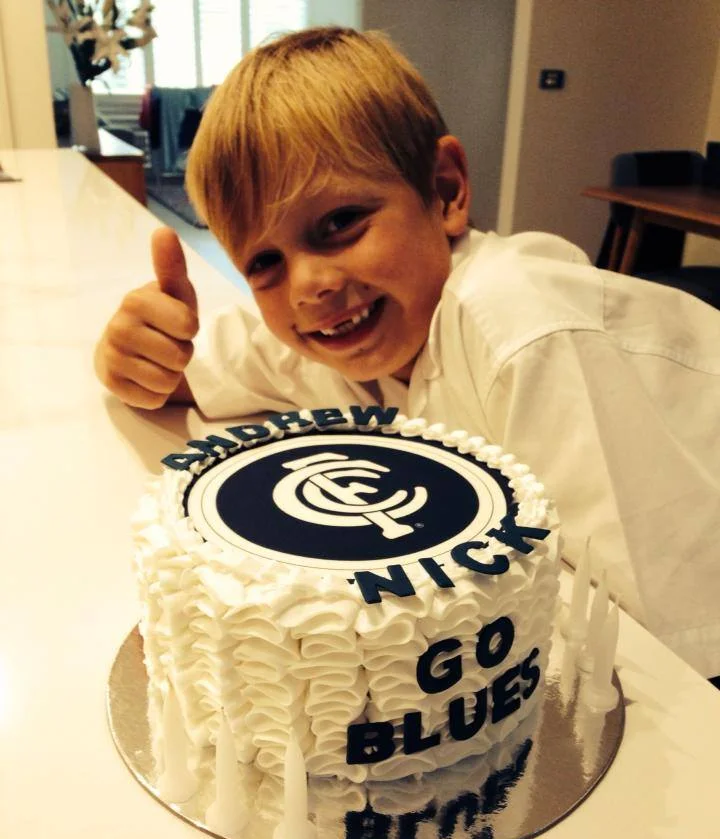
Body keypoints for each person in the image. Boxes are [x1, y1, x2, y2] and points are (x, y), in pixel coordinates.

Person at [94, 26, 720, 680]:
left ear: (446, 191)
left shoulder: (517, 330)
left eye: (339, 224)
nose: (311, 286)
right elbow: (180, 378)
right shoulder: (325, 340)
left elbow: (649, 643)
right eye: (265, 262)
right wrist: (134, 352)